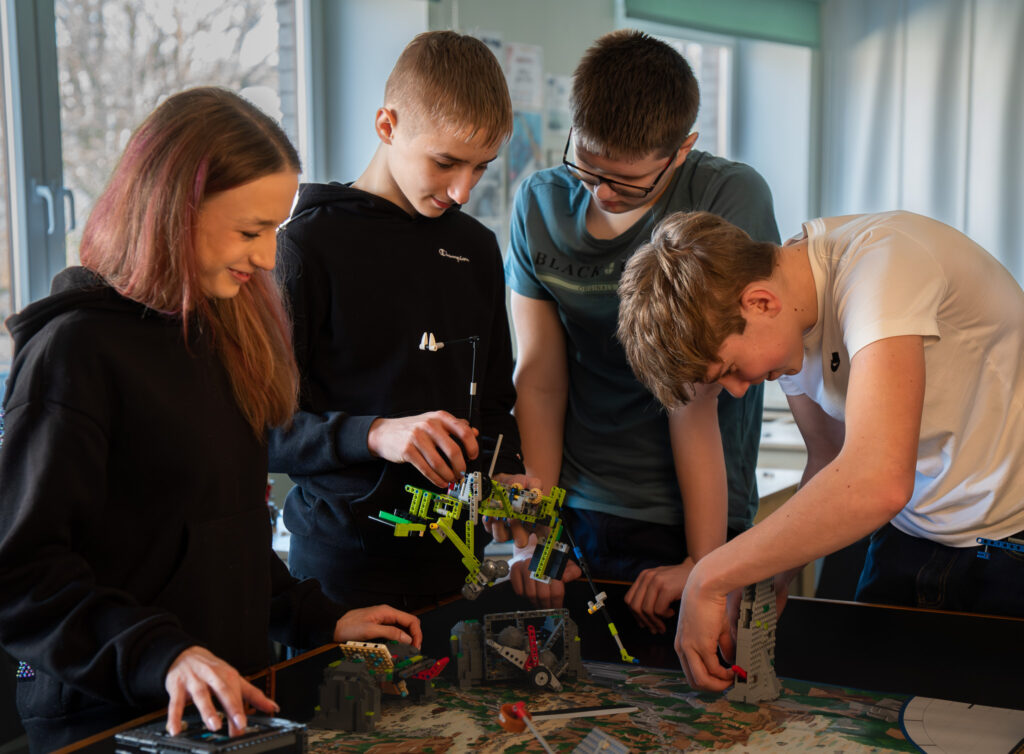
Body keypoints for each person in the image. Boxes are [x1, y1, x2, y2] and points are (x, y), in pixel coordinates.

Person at [0, 88, 421, 751]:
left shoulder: (223, 335)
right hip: (109, 717)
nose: (267, 258)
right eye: (250, 232)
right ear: (174, 212)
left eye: (274, 231)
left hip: (227, 699)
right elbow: (21, 575)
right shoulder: (74, 352)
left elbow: (223, 538)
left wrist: (318, 618)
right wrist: (163, 656)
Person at [616, 209, 1024, 691]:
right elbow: (829, 459)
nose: (739, 390)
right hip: (910, 533)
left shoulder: (883, 266)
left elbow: (877, 480)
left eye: (730, 369)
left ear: (760, 302)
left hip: (1008, 540)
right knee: (870, 712)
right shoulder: (787, 320)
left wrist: (712, 574)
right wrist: (775, 573)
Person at [502, 29, 779, 633]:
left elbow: (693, 396)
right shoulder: (538, 205)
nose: (601, 192)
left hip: (697, 512)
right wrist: (540, 529)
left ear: (681, 151)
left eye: (626, 182)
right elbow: (541, 378)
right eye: (586, 168)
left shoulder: (725, 196)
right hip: (581, 501)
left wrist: (703, 564)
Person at [269, 31, 528, 610]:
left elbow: (492, 403)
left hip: (456, 568)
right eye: (446, 163)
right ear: (387, 125)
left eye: (481, 168)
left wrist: (505, 472)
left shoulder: (478, 248)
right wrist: (375, 433)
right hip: (341, 573)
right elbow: (263, 431)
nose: (463, 190)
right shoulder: (304, 247)